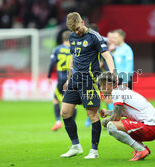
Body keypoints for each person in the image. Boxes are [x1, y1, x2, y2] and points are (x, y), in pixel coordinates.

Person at [60, 12, 115, 159]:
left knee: (92, 115)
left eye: (77, 28)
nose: (76, 32)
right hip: (74, 80)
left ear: (82, 22)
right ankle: (76, 146)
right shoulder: (72, 37)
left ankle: (94, 151)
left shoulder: (94, 37)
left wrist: (113, 73)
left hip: (89, 80)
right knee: (65, 112)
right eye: (73, 30)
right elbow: (73, 57)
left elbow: (107, 55)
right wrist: (68, 78)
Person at [98, 72, 155, 161]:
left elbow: (117, 117)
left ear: (108, 85)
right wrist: (108, 112)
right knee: (120, 124)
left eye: (101, 86)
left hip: (150, 127)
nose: (100, 89)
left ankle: (140, 150)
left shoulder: (116, 92)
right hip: (154, 126)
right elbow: (124, 111)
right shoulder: (122, 89)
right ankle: (142, 148)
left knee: (111, 126)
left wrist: (106, 121)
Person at [47, 30, 77, 131]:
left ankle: (58, 122)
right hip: (72, 78)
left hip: (61, 79)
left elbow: (52, 64)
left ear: (62, 39)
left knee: (56, 100)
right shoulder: (75, 49)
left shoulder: (57, 49)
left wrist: (49, 76)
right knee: (73, 102)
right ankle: (71, 123)